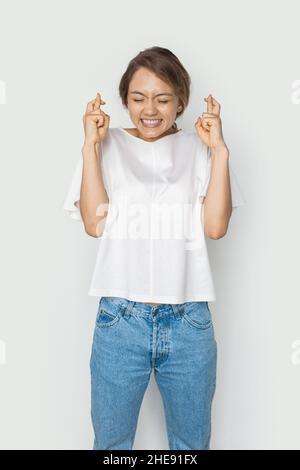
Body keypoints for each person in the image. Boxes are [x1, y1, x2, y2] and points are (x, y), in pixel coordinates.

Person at [61, 46, 246, 450]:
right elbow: (95, 223)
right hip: (120, 319)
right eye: (139, 98)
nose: (150, 109)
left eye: (163, 99)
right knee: (111, 445)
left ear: (181, 100)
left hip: (189, 321)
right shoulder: (105, 144)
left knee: (191, 445)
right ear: (125, 99)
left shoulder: (200, 149)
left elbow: (215, 227)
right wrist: (89, 146)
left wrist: (220, 150)